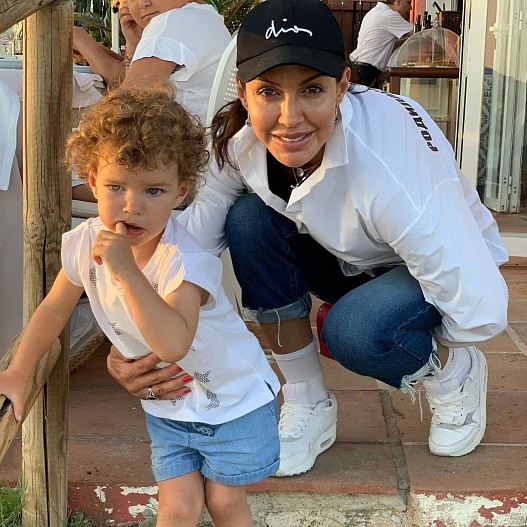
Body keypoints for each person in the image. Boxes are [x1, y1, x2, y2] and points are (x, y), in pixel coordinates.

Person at [108, 0, 509, 477]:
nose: (290, 117)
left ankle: (455, 372)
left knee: (355, 333)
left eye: (312, 90)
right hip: (347, 255)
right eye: (269, 92)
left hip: (429, 274)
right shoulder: (237, 143)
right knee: (248, 220)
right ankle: (307, 398)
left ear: (343, 86)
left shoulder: (391, 167)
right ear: (243, 92)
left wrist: (447, 342)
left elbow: (480, 303)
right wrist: (137, 338)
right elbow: (191, 246)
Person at [0, 85, 280, 527]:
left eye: (153, 190)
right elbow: (53, 310)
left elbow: (173, 344)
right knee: (177, 508)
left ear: (180, 192)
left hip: (235, 401)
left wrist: (128, 273)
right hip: (171, 406)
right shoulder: (84, 244)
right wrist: (17, 373)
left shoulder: (186, 261)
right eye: (116, 186)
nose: (132, 206)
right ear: (92, 180)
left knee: (225, 503)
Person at [72, 0, 231, 124]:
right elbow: (126, 84)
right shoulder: (207, 17)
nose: (143, 3)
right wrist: (133, 44)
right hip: (204, 145)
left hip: (179, 151)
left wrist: (79, 38)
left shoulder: (172, 20)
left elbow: (124, 105)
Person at [349, 0, 413, 87]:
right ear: (398, 1)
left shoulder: (375, 12)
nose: (410, 8)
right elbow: (418, 32)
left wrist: (406, 40)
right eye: (408, 3)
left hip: (360, 69)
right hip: (367, 71)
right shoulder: (389, 15)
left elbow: (384, 44)